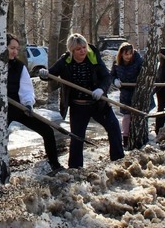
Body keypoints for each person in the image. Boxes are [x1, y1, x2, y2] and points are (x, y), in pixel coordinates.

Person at [39, 33, 124, 167]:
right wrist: (44, 74)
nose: (83, 51)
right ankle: (75, 169)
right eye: (78, 49)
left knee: (114, 128)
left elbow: (107, 77)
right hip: (78, 107)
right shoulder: (65, 60)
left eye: (84, 47)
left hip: (98, 104)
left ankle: (119, 162)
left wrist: (101, 89)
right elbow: (51, 74)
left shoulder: (93, 57)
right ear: (72, 51)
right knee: (77, 139)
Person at [5, 33, 62, 171]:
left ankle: (55, 165)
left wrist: (28, 104)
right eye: (12, 48)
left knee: (47, 131)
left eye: (16, 49)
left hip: (18, 107)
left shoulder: (19, 67)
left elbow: (26, 88)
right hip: (0, 110)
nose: (15, 51)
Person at [110, 42, 147, 147]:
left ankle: (142, 138)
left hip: (138, 92)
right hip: (125, 92)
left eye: (130, 54)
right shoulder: (117, 63)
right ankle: (125, 138)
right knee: (126, 116)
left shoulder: (138, 61)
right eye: (126, 54)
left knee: (140, 115)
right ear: (121, 54)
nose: (128, 56)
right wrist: (115, 80)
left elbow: (144, 74)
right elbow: (111, 75)